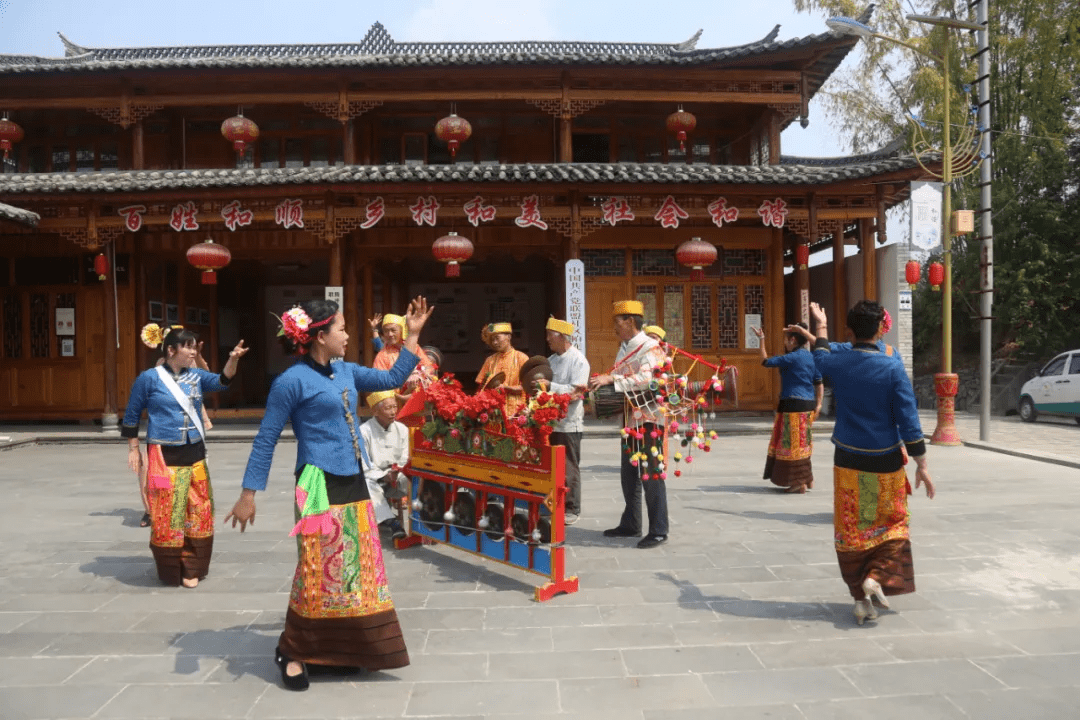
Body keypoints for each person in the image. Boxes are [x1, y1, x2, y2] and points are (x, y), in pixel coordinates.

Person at [225, 296, 433, 691]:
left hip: (353, 480)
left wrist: (414, 334)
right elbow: (266, 437)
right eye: (341, 329)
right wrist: (248, 493)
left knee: (353, 567)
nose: (347, 335)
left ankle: (339, 648)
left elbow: (392, 379)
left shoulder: (347, 372)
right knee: (315, 569)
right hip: (316, 484)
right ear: (320, 337)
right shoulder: (290, 381)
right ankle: (293, 651)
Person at [789, 300, 935, 626]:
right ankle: (876, 576)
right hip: (884, 460)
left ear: (851, 332)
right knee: (892, 522)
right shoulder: (893, 366)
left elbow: (822, 357)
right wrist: (921, 462)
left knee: (855, 529)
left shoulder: (839, 361)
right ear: (881, 329)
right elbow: (908, 418)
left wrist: (820, 326)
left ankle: (859, 598)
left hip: (849, 459)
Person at [123, 324, 248, 587]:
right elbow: (132, 415)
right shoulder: (149, 379)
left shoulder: (196, 377)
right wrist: (134, 448)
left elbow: (223, 381)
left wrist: (232, 360)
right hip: (164, 454)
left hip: (195, 452)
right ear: (171, 350)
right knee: (168, 513)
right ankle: (170, 569)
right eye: (188, 347)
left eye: (194, 346)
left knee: (199, 510)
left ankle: (192, 568)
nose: (193, 352)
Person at [589, 301, 669, 549]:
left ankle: (659, 529)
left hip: (649, 419)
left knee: (651, 474)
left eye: (617, 322)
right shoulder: (625, 347)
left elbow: (648, 379)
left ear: (630, 322)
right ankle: (631, 523)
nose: (614, 327)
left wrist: (612, 378)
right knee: (629, 474)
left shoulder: (651, 347)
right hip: (630, 419)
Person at [138, 340, 216, 528]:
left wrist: (198, 354)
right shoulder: (159, 366)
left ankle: (193, 506)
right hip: (165, 425)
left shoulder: (191, 361)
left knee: (193, 467)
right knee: (149, 466)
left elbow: (208, 375)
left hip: (190, 424)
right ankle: (150, 509)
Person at [752, 322, 822, 494]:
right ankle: (808, 478)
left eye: (786, 339)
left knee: (791, 444)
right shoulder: (812, 357)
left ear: (792, 339)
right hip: (808, 404)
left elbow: (765, 361)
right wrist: (819, 404)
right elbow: (819, 382)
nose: (785, 343)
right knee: (804, 442)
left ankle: (798, 482)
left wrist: (761, 339)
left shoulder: (791, 357)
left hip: (792, 404)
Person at [544, 317, 590, 524]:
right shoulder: (552, 360)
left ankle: (572, 508)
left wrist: (550, 386)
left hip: (570, 423)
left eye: (550, 335)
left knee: (569, 466)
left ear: (562, 337)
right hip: (550, 421)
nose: (547, 340)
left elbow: (576, 393)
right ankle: (555, 504)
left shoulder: (578, 360)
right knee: (553, 466)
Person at [360, 389, 410, 540]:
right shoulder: (364, 431)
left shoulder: (402, 429)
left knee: (417, 481)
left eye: (395, 407)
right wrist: (384, 476)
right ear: (375, 411)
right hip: (376, 476)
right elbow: (364, 463)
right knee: (367, 484)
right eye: (388, 408)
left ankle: (423, 524)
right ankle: (392, 522)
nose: (393, 411)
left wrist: (396, 471)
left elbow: (405, 456)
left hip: (397, 473)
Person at [373, 313, 437, 402]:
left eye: (393, 330)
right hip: (395, 404)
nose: (390, 334)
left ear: (402, 330)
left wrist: (419, 377)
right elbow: (380, 383)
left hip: (419, 401)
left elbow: (428, 368)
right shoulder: (382, 355)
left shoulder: (415, 348)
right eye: (386, 331)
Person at [476, 322, 529, 418]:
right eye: (492, 340)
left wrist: (507, 388)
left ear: (508, 337)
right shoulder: (490, 360)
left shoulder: (521, 358)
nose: (494, 343)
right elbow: (481, 388)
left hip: (516, 414)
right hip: (493, 415)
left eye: (497, 338)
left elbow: (527, 387)